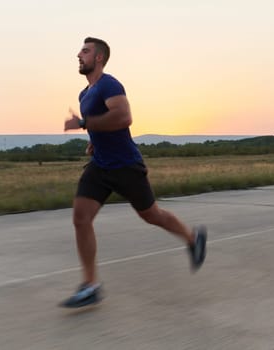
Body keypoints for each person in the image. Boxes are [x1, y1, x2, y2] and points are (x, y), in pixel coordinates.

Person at [60, 37, 207, 308]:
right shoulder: (85, 94)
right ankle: (91, 285)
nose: (79, 55)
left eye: (85, 51)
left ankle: (192, 238)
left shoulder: (109, 84)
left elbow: (124, 117)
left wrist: (83, 123)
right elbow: (104, 124)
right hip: (101, 166)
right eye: (80, 51)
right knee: (81, 218)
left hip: (125, 165)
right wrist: (94, 138)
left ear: (99, 58)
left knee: (151, 215)